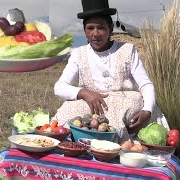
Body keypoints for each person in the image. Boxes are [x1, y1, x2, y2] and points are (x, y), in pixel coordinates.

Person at [54, 0, 169, 143]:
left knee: (134, 102)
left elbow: (145, 84)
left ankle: (120, 140)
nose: (95, 34)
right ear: (85, 31)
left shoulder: (127, 50)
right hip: (93, 107)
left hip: (125, 103)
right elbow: (59, 87)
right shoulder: (79, 54)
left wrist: (147, 110)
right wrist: (84, 93)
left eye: (101, 28)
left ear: (111, 28)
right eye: (90, 28)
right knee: (69, 108)